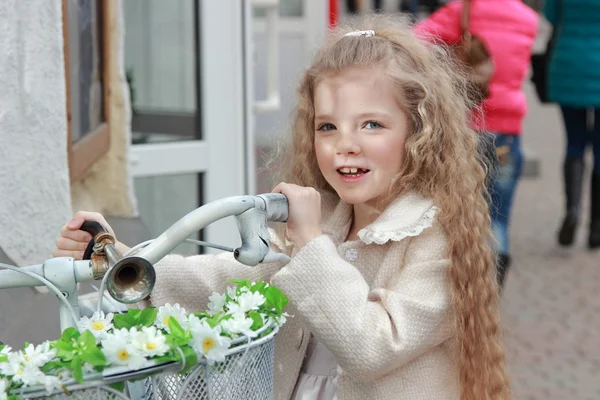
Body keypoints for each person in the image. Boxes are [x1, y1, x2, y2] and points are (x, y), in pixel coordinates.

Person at [54, 15, 509, 400]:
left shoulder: (434, 239)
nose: (345, 145)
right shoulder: (328, 217)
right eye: (327, 126)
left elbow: (372, 347)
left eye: (372, 124)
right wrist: (126, 259)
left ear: (418, 133)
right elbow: (228, 278)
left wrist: (311, 243)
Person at [414, 0, 539, 287]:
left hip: (466, 127)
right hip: (507, 132)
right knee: (498, 217)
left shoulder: (463, 10)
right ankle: (494, 286)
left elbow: (416, 39)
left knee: (459, 211)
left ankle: (464, 283)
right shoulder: (528, 18)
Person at [544, 0, 600, 250]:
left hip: (569, 62)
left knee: (574, 143)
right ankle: (597, 227)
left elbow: (551, 16)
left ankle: (572, 211)